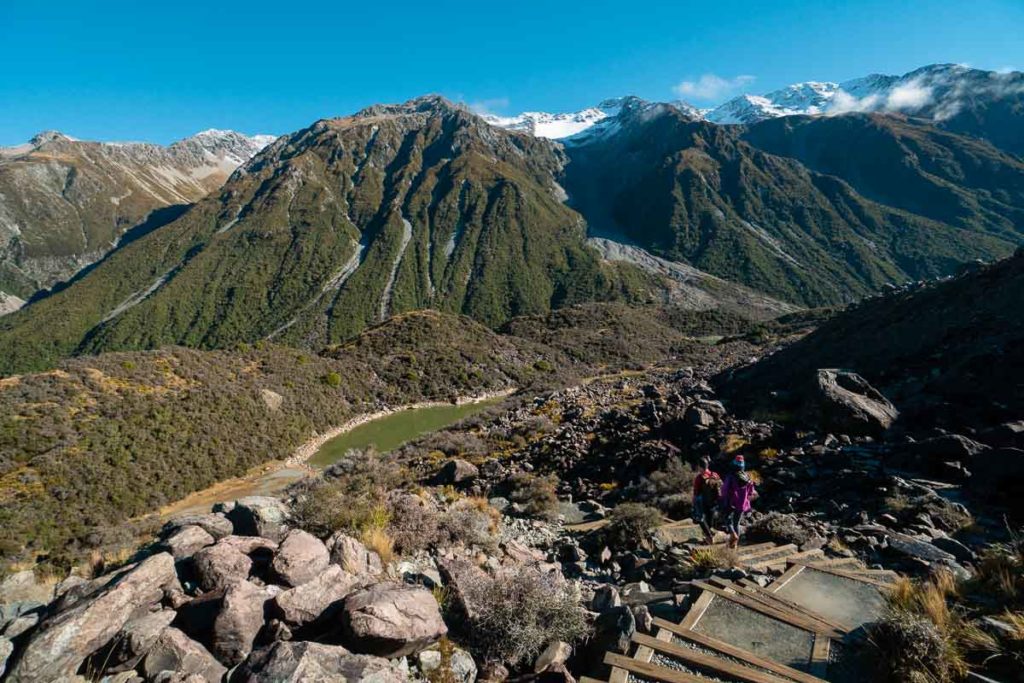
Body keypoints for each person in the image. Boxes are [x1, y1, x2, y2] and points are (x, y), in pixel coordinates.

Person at [720, 455, 757, 549]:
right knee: (736, 522)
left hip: (731, 502)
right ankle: (734, 544)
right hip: (742, 504)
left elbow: (725, 490)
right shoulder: (747, 477)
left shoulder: (731, 476)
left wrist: (722, 497)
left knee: (726, 518)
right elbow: (751, 492)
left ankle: (733, 535)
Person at [691, 456, 722, 545]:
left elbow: (696, 492)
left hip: (703, 502)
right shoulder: (715, 474)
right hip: (714, 502)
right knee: (709, 520)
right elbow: (720, 485)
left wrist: (694, 503)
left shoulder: (699, 478)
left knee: (700, 518)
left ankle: (709, 537)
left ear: (700, 467)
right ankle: (708, 537)